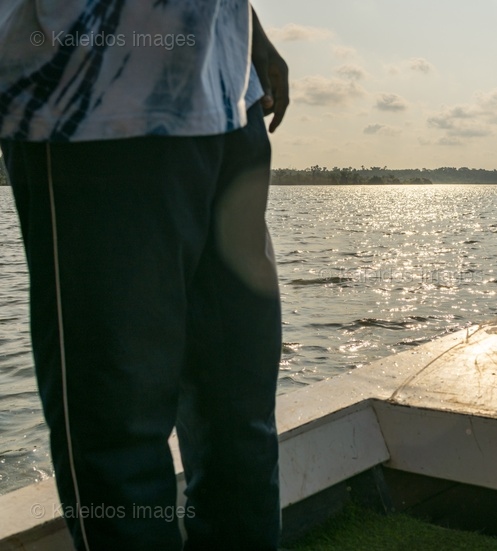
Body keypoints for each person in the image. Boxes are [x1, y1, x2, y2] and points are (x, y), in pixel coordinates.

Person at [0, 2, 289, 549]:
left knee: (239, 415)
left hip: (229, 99)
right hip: (88, 103)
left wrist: (249, 26)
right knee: (119, 434)